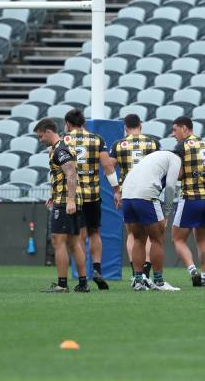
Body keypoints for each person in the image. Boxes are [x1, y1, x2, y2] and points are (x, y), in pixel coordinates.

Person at [63, 109, 121, 290]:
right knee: (94, 232)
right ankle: (97, 269)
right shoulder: (97, 140)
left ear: (68, 124)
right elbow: (108, 166)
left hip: (74, 195)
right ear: (84, 123)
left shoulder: (64, 140)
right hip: (93, 194)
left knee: (79, 236)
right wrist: (116, 190)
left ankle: (82, 276)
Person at [35, 118, 90, 293]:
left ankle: (62, 284)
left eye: (41, 136)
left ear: (49, 131)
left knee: (58, 241)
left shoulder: (60, 149)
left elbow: (71, 173)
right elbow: (62, 176)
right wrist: (54, 195)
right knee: (74, 243)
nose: (40, 140)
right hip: (67, 199)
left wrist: (70, 200)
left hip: (66, 202)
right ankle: (82, 284)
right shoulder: (59, 149)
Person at [121, 150, 182, 291]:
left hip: (127, 195)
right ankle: (159, 282)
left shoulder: (154, 158)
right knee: (157, 238)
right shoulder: (175, 159)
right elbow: (171, 186)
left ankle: (138, 281)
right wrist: (167, 213)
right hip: (146, 196)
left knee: (138, 239)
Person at [110, 114, 160, 281]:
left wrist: (116, 190)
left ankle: (135, 272)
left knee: (133, 234)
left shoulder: (118, 145)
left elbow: (109, 167)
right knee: (150, 235)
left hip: (128, 192)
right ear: (141, 125)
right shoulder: (153, 142)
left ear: (125, 127)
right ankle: (146, 271)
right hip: (148, 191)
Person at [171, 116, 205, 287]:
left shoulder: (181, 147)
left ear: (184, 128)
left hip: (190, 197)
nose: (173, 134)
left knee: (177, 238)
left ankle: (193, 271)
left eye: (175, 130)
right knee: (202, 239)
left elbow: (180, 174)